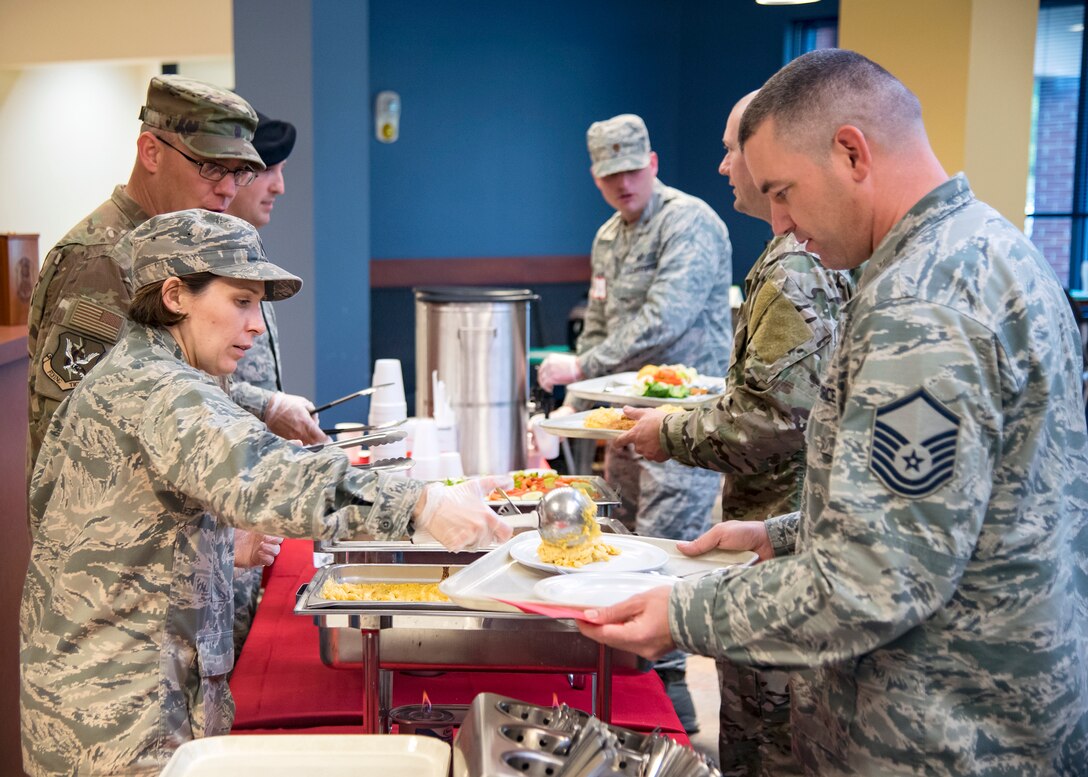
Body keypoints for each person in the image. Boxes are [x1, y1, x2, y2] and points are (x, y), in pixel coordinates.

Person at [578, 49, 1088, 775]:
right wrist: (786, 533)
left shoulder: (921, 305)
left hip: (942, 733)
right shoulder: (990, 246)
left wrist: (682, 613)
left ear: (852, 152)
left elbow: (874, 580)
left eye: (783, 191)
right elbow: (958, 508)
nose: (782, 223)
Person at [20, 209, 512, 776]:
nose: (256, 325)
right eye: (241, 301)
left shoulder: (137, 372)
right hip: (117, 719)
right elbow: (270, 474)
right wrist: (423, 504)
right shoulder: (160, 389)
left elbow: (107, 525)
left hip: (110, 696)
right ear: (175, 296)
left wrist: (215, 545)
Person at [615, 91, 853, 776]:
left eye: (733, 150)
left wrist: (672, 433)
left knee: (770, 735)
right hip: (776, 525)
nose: (723, 166)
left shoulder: (795, 263)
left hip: (785, 534)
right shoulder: (789, 253)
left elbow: (775, 418)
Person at [536, 113, 733, 732]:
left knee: (665, 555)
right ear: (595, 178)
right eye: (609, 175)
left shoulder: (689, 222)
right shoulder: (607, 237)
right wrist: (577, 400)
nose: (623, 184)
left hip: (685, 427)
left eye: (631, 170)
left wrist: (582, 367)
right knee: (619, 544)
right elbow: (598, 321)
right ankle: (626, 696)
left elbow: (665, 317)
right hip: (622, 425)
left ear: (652, 164)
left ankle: (672, 708)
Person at [25, 75, 324, 480]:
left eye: (239, 173)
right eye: (211, 167)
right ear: (151, 152)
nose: (228, 190)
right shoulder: (101, 259)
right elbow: (70, 439)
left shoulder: (183, 248)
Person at [224, 109, 298, 659]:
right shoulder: (201, 258)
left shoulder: (246, 247)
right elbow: (182, 383)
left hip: (249, 501)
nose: (279, 186)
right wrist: (267, 403)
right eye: (270, 169)